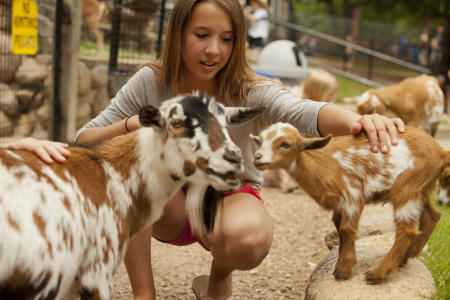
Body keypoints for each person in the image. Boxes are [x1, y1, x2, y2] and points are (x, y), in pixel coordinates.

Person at [10, 1, 405, 299]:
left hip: (225, 196)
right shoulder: (152, 80)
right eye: (202, 35)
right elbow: (85, 139)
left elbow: (303, 111)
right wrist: (139, 122)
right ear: (179, 33)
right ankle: (144, 294)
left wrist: (357, 121)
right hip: (168, 203)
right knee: (134, 177)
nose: (214, 49)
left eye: (227, 39)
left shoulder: (250, 87)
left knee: (249, 239)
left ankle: (217, 278)